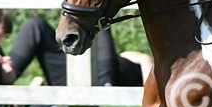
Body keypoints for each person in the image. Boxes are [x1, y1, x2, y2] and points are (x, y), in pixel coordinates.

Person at [9, 16, 151, 88]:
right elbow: (145, 59)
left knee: (99, 22)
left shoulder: (132, 62)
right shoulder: (125, 57)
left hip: (105, 77)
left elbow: (146, 60)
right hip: (74, 70)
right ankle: (5, 74)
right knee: (35, 25)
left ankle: (6, 73)